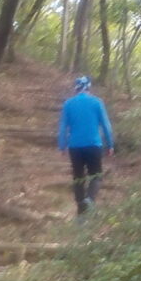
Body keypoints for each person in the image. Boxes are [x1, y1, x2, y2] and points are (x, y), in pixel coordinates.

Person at [57, 76, 114, 216]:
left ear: (76, 88)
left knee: (78, 177)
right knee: (96, 175)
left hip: (75, 146)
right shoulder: (97, 102)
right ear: (89, 87)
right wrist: (110, 144)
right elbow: (106, 125)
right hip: (94, 145)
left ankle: (80, 210)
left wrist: (62, 145)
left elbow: (63, 126)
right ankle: (89, 199)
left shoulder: (68, 104)